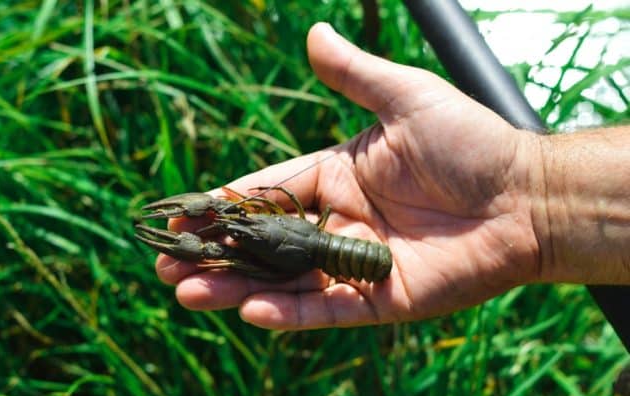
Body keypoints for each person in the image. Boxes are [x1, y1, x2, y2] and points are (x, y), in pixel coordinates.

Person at [154, 23, 630, 330]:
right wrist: (539, 189)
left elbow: (259, 243)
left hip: (356, 259)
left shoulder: (291, 232)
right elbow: (274, 213)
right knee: (235, 246)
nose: (235, 221)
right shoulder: (289, 220)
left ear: (296, 215)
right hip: (344, 255)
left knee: (233, 259)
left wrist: (538, 190)